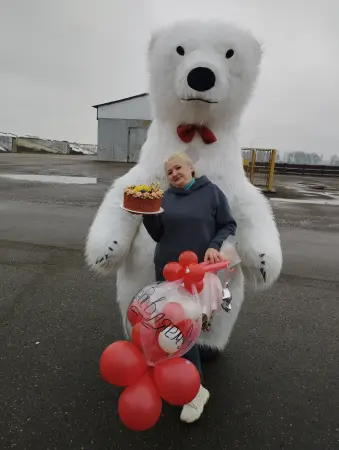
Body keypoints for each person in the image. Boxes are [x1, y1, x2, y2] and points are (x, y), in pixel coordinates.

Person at [142, 151, 237, 424]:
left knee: (182, 324)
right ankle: (188, 360)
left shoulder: (211, 193)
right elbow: (158, 234)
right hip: (166, 269)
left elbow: (228, 223)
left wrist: (213, 245)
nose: (174, 174)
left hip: (196, 274)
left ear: (191, 168)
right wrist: (147, 214)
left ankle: (195, 390)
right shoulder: (165, 197)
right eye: (169, 172)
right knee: (175, 324)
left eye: (178, 168)